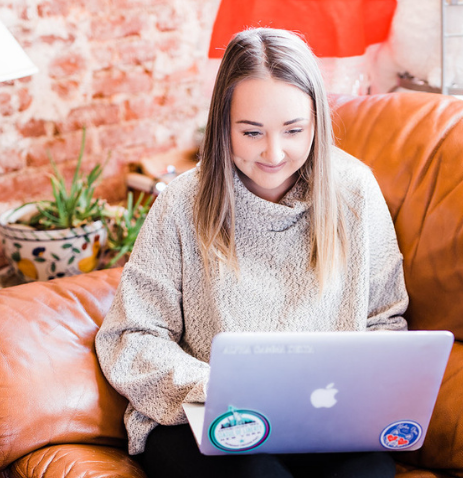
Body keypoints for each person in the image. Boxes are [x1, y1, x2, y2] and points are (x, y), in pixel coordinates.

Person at [95, 27, 408, 478]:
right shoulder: (182, 202)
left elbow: (386, 319)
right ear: (223, 124)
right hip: (199, 415)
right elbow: (132, 337)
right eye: (252, 131)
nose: (274, 153)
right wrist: (222, 388)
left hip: (321, 418)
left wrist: (349, 391)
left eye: (294, 130)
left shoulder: (354, 191)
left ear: (317, 121)